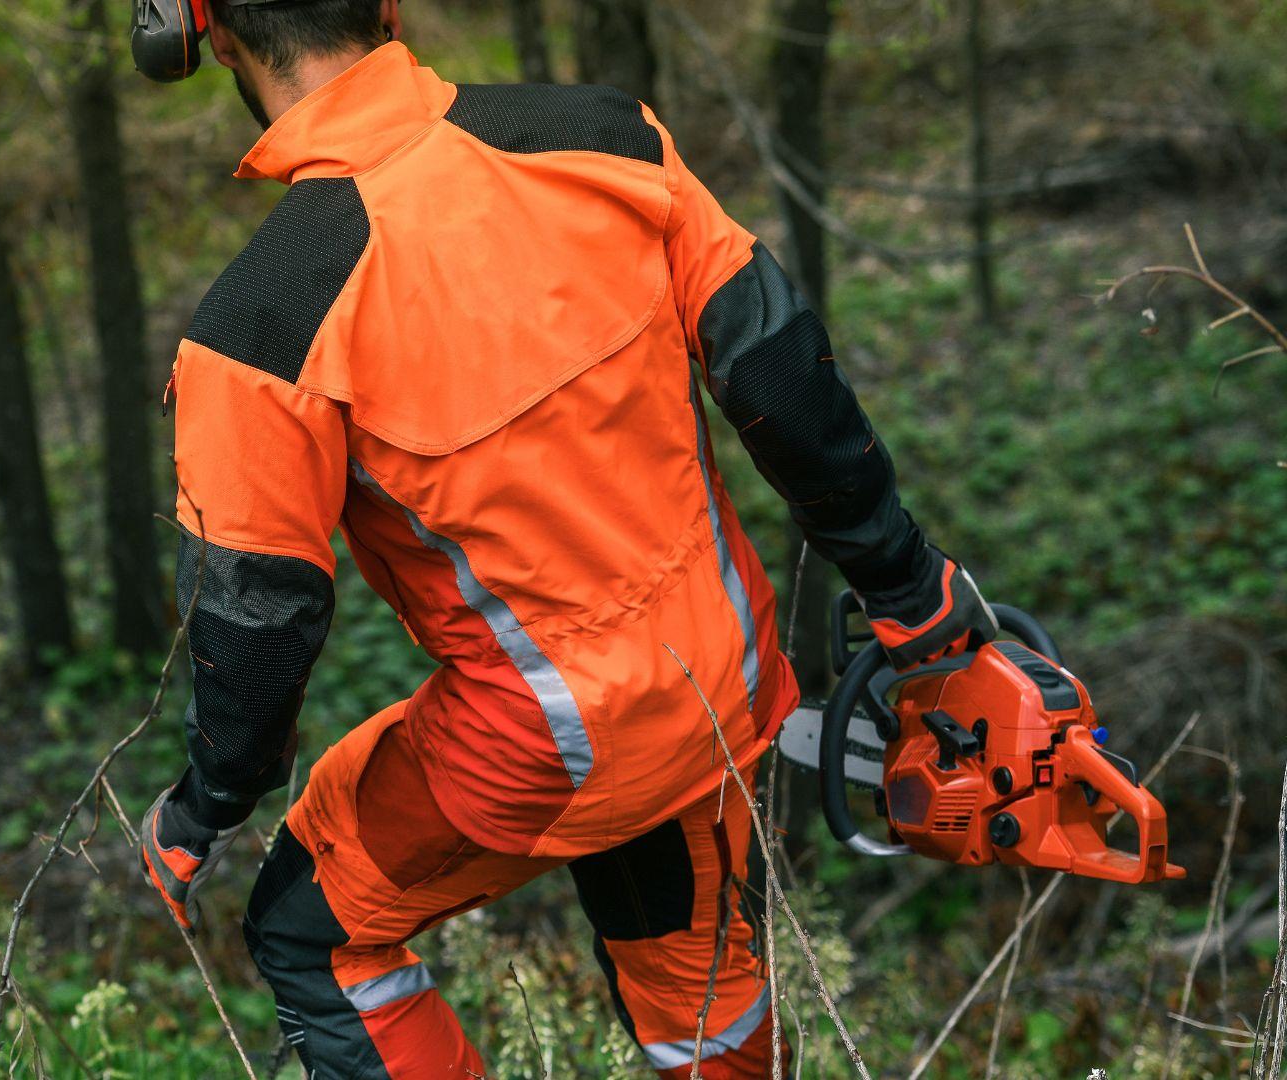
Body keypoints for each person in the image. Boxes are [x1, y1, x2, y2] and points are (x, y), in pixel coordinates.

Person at [132, 2, 998, 1075]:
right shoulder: (606, 136)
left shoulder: (256, 327)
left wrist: (207, 803)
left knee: (314, 934)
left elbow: (259, 619)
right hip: (715, 682)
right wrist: (908, 588)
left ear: (203, 31)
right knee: (703, 1005)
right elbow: (781, 378)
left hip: (530, 744)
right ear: (386, 3)